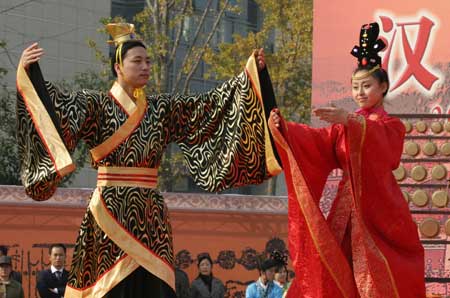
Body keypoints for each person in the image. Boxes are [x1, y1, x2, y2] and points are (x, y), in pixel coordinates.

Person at [17, 22, 281, 298]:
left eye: (148, 61)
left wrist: (252, 76)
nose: (145, 66)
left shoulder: (162, 109)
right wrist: (28, 74)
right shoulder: (95, 105)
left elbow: (210, 107)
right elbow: (56, 107)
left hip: (150, 215)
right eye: (137, 61)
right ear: (118, 67)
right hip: (109, 211)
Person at [269, 22, 425, 297]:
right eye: (355, 87)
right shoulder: (345, 125)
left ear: (384, 87)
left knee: (379, 275)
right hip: (346, 209)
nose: (360, 93)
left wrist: (352, 122)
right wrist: (284, 127)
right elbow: (317, 142)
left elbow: (386, 153)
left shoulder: (391, 125)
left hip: (378, 212)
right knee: (337, 270)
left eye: (367, 86)